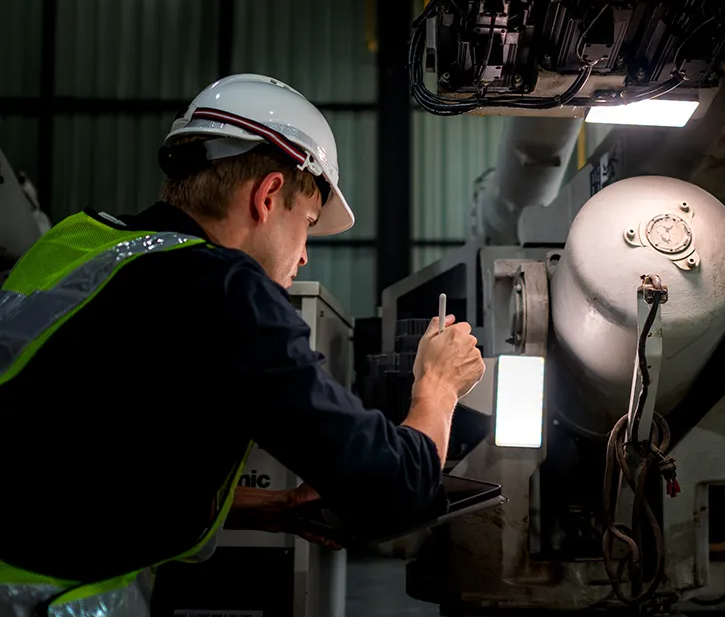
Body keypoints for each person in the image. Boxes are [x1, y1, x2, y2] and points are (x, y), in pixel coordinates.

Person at [0, 74, 485, 616]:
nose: (304, 254)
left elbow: (78, 460)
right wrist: (438, 385)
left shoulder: (75, 241)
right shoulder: (227, 291)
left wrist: (269, 505)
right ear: (267, 195)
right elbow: (395, 490)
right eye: (307, 224)